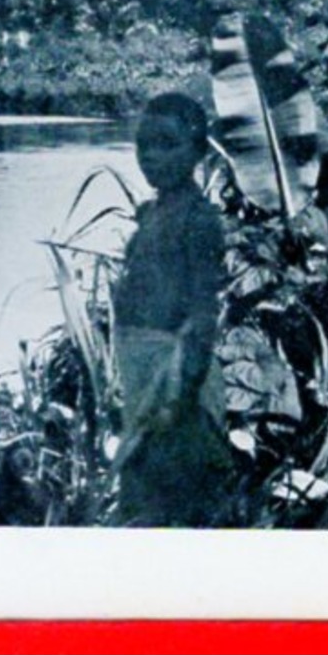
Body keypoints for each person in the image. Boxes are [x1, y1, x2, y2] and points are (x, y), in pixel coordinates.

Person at [110, 92, 233, 528]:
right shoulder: (154, 212)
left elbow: (203, 312)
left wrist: (178, 398)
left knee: (168, 496)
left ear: (198, 150)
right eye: (144, 145)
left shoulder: (198, 219)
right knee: (143, 491)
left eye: (167, 144)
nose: (151, 156)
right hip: (145, 371)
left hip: (176, 380)